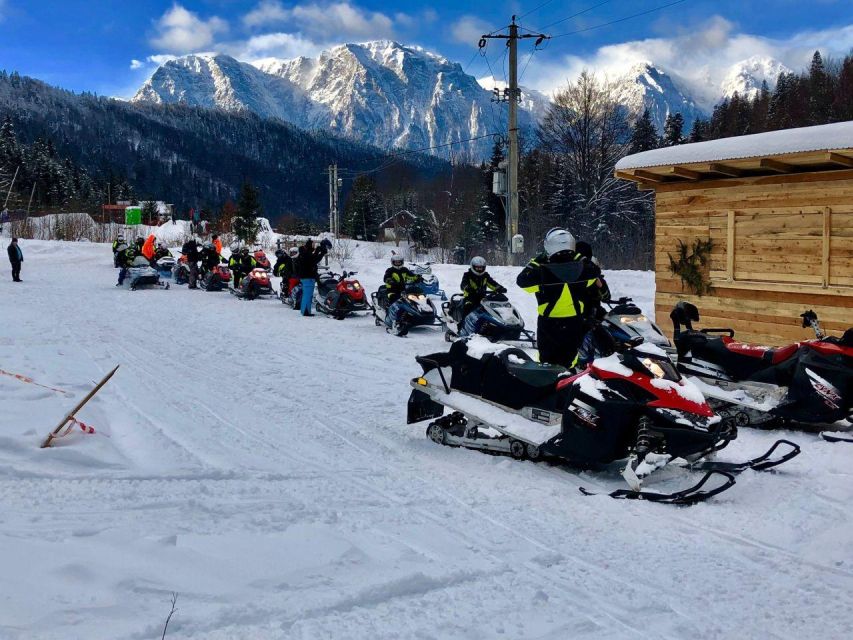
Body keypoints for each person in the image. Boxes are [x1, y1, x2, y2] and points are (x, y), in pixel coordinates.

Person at [516, 228, 602, 369]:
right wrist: (578, 256)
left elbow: (522, 281)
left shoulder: (542, 271)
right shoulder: (582, 270)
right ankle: (569, 379)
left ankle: (549, 380)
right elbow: (594, 271)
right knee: (570, 360)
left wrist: (537, 260)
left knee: (546, 362)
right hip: (574, 322)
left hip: (550, 323)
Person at [458, 256, 506, 336]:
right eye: (477, 268)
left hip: (483, 298)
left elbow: (492, 283)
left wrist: (500, 288)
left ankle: (493, 328)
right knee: (467, 309)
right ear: (473, 267)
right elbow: (463, 284)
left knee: (492, 310)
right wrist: (468, 288)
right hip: (470, 298)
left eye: (481, 268)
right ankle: (461, 329)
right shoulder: (467, 275)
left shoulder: (485, 276)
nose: (479, 269)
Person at [383, 254, 422, 334]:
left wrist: (418, 277)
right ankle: (393, 319)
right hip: (392, 291)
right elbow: (386, 277)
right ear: (393, 262)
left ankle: (417, 315)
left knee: (413, 300)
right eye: (396, 262)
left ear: (402, 262)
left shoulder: (404, 270)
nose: (398, 263)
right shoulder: (390, 270)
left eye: (399, 262)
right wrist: (389, 280)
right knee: (395, 300)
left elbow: (411, 276)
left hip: (403, 291)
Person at [295, 238, 330, 316]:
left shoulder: (304, 254)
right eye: (313, 245)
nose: (314, 247)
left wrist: (318, 252)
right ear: (309, 246)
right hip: (308, 277)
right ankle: (306, 312)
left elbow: (312, 258)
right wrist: (321, 253)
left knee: (306, 295)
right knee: (308, 295)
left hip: (305, 277)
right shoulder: (306, 254)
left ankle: (304, 311)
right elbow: (314, 260)